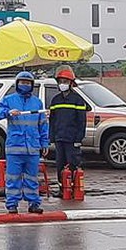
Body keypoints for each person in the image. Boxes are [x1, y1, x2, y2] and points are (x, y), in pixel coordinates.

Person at [0, 71, 49, 214]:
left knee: (32, 178)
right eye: (22, 82)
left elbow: (43, 124)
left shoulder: (37, 102)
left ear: (32, 85)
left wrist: (45, 143)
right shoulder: (9, 100)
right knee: (13, 177)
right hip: (15, 147)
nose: (25, 85)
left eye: (28, 83)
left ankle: (33, 203)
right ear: (17, 84)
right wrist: (8, 112)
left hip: (32, 148)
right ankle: (12, 204)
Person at [49, 65, 89, 196]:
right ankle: (62, 189)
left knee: (72, 163)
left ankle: (73, 187)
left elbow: (81, 121)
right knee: (60, 164)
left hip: (72, 139)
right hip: (59, 138)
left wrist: (79, 139)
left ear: (71, 83)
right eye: (60, 82)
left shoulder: (78, 100)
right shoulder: (55, 100)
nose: (62, 84)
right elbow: (52, 120)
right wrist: (52, 137)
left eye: (65, 82)